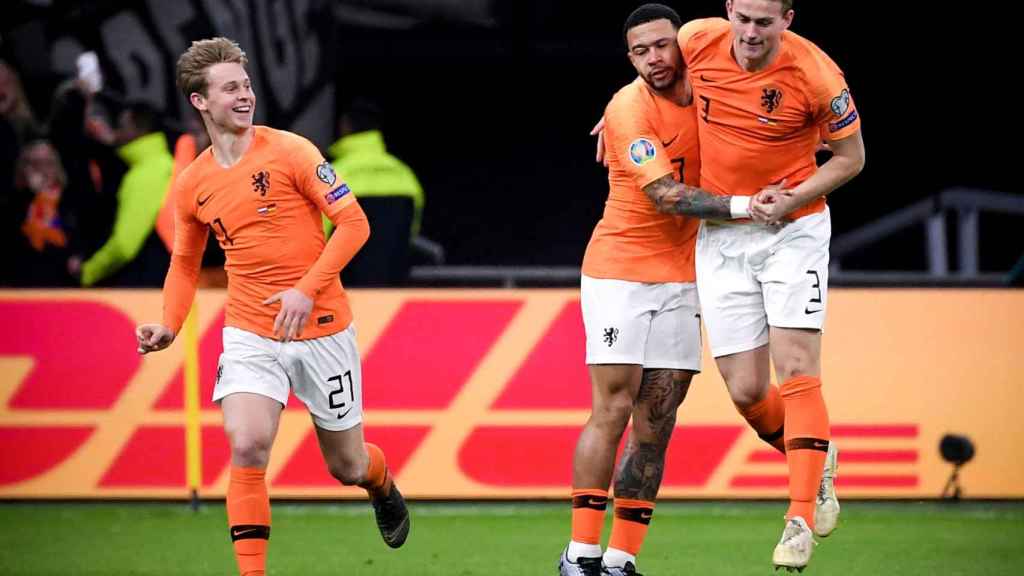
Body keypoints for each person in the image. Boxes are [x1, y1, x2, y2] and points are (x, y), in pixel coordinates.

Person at [134, 37, 409, 576]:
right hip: (251, 331)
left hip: (323, 327)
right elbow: (185, 264)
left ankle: (380, 482)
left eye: (247, 85)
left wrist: (306, 288)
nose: (245, 95)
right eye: (230, 87)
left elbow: (356, 224)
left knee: (347, 465)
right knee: (248, 442)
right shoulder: (193, 183)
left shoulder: (292, 151)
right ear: (200, 102)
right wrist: (169, 324)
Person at [560, 6, 759, 576]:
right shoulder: (628, 109)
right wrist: (748, 209)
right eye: (640, 51)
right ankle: (580, 555)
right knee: (614, 408)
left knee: (658, 420)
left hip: (684, 274)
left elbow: (766, 63)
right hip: (620, 272)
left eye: (662, 46)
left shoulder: (716, 91)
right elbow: (668, 197)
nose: (654, 59)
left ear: (685, 45)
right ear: (629, 59)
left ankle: (621, 560)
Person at [675, 0, 865, 570]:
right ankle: (817, 457)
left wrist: (796, 197)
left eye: (765, 22)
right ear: (729, 10)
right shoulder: (696, 40)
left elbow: (852, 157)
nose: (751, 33)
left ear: (788, 19)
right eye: (744, 18)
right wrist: (622, 116)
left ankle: (799, 517)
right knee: (746, 389)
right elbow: (658, 89)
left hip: (793, 229)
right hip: (722, 230)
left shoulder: (818, 77)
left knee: (798, 368)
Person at [71, 101, 174, 286]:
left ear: (137, 130)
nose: (117, 133)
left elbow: (124, 245)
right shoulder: (163, 164)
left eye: (121, 126)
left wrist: (88, 272)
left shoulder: (148, 172)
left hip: (147, 287)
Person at [325, 99, 424, 286]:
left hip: (344, 295)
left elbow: (315, 236)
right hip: (391, 294)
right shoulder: (405, 176)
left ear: (344, 127)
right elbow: (411, 233)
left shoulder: (333, 176)